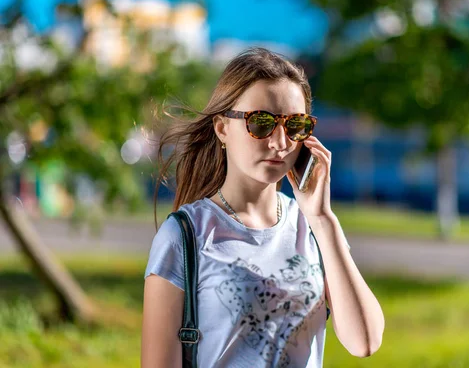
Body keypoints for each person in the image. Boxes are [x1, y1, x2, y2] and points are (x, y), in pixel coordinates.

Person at [140, 47, 384, 367]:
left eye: (295, 125)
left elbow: (364, 341)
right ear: (222, 128)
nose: (280, 142)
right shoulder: (186, 235)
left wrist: (322, 218)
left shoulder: (312, 228)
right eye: (262, 122)